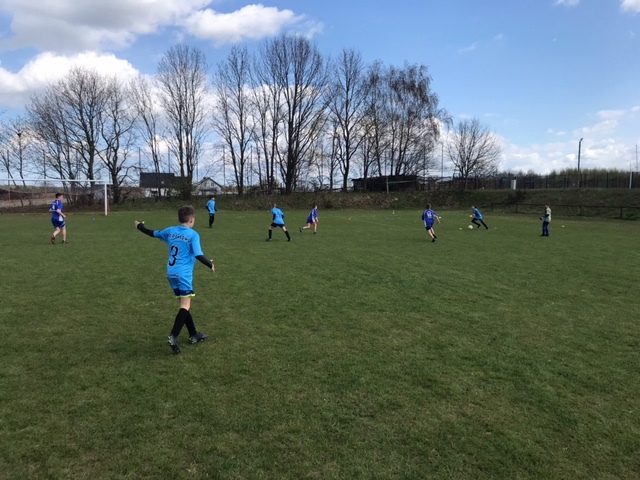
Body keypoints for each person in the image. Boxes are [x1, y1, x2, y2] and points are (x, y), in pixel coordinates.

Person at [134, 205, 214, 354]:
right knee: (185, 305)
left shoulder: (170, 231)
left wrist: (140, 227)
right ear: (192, 220)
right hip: (183, 275)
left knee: (184, 305)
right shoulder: (193, 235)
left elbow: (152, 233)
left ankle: (193, 334)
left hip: (171, 273)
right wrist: (210, 265)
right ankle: (173, 336)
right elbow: (198, 254)